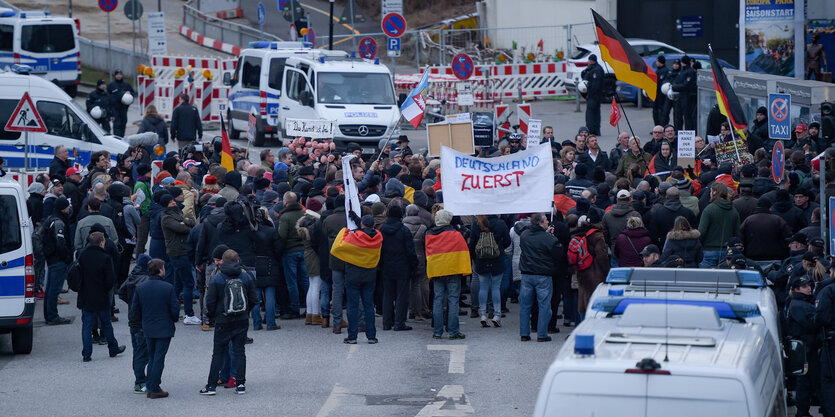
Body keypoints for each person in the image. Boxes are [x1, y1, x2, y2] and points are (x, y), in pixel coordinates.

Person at [201, 249, 258, 395]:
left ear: (222, 261)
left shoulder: (217, 278)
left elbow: (210, 302)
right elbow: (253, 299)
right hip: (241, 319)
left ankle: (211, 386)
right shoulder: (245, 277)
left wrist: (214, 317)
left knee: (218, 353)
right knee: (239, 352)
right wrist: (245, 312)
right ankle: (240, 384)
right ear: (237, 260)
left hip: (223, 320)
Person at [131, 258, 178, 399]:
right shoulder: (168, 287)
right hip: (164, 328)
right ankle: (154, 387)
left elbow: (135, 310)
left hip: (148, 327)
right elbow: (174, 310)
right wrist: (172, 319)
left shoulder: (140, 288)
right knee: (159, 358)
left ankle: (150, 385)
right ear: (160, 270)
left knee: (152, 357)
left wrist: (143, 321)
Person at [77, 232, 126, 362]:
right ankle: (112, 348)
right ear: (102, 242)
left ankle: (86, 353)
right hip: (101, 295)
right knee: (106, 323)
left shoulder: (83, 256)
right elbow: (110, 279)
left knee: (86, 325)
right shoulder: (105, 257)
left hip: (86, 295)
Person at [425, 209, 470, 340]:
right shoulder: (455, 234)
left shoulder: (429, 234)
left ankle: (437, 332)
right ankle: (453, 331)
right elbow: (462, 251)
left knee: (438, 300)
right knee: (453, 300)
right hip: (452, 270)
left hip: (437, 271)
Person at [518, 213, 563, 342]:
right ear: (540, 223)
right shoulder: (548, 238)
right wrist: (550, 236)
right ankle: (542, 334)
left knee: (525, 306)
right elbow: (558, 253)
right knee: (544, 306)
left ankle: (524, 333)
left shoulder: (524, 235)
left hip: (527, 274)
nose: (548, 222)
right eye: (546, 221)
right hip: (543, 275)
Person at [341, 215, 383, 344]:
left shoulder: (353, 237)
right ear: (373, 225)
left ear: (362, 225)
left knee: (352, 306)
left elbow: (341, 245)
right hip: (369, 274)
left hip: (353, 275)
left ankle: (352, 336)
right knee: (369, 305)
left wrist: (346, 230)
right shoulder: (378, 237)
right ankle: (371, 336)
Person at [786, 278, 822, 416]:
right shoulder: (798, 305)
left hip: (805, 348)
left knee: (806, 382)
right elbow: (812, 324)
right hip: (805, 349)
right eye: (804, 286)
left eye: (808, 285)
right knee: (807, 382)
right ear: (796, 289)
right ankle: (802, 412)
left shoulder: (802, 303)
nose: (808, 288)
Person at [160, 193, 198, 324]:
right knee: (188, 283)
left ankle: (172, 311)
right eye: (171, 202)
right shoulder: (166, 217)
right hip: (178, 252)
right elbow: (181, 228)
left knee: (179, 283)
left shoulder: (177, 212)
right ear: (166, 205)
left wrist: (186, 222)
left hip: (182, 251)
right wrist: (185, 223)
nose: (174, 203)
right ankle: (189, 314)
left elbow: (191, 222)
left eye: (173, 201)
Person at [379, 205, 418, 331]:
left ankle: (386, 322)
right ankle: (399, 322)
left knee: (388, 294)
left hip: (386, 265)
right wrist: (414, 265)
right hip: (402, 266)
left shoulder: (382, 229)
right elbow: (410, 250)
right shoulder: (403, 230)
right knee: (402, 295)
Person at [469, 215, 511, 327]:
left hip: (481, 259)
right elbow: (507, 242)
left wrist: (474, 258)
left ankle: (483, 314)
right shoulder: (501, 223)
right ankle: (496, 314)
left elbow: (472, 243)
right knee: (495, 287)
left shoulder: (476, 224)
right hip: (497, 259)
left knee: (483, 287)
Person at [118, 254, 151, 394]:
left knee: (137, 350)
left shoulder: (132, 276)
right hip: (142, 321)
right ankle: (140, 381)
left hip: (133, 321)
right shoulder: (145, 280)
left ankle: (140, 379)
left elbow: (121, 292)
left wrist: (130, 304)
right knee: (143, 352)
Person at [572, 210, 610, 321]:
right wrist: (607, 273)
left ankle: (580, 324)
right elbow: (602, 256)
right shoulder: (598, 235)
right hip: (595, 272)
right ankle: (590, 325)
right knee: (593, 300)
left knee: (583, 297)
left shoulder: (580, 232)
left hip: (582, 269)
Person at [42, 197, 73, 325]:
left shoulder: (51, 218)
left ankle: (49, 315)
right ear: (62, 208)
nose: (69, 208)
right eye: (67, 206)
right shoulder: (59, 222)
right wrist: (66, 257)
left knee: (50, 288)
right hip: (57, 259)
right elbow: (60, 243)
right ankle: (52, 316)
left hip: (51, 258)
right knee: (54, 289)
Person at [278, 191, 308, 318]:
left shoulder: (285, 217)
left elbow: (282, 236)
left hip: (290, 251)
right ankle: (310, 307)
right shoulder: (303, 214)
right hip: (304, 250)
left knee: (292, 281)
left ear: (285, 202)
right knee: (306, 280)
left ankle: (294, 308)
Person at [698, 183, 740, 268]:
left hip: (709, 250)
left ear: (714, 192)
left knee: (706, 279)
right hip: (727, 251)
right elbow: (737, 233)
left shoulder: (709, 209)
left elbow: (701, 232)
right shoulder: (734, 211)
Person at [671, 55, 697, 131]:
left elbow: (686, 85)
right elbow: (677, 81)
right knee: (677, 117)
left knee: (687, 117)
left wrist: (675, 87)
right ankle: (677, 133)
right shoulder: (682, 71)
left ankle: (688, 133)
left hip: (687, 98)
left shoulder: (690, 72)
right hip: (679, 97)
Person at [581, 54, 605, 136]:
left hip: (594, 96)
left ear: (592, 61)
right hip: (593, 96)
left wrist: (589, 93)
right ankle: (595, 130)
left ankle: (592, 130)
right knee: (594, 113)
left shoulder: (597, 70)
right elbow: (584, 75)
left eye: (589, 60)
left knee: (591, 114)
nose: (588, 62)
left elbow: (596, 85)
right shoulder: (591, 69)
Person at [107, 69, 135, 137]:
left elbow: (133, 94)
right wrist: (110, 111)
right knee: (117, 124)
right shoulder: (111, 85)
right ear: (115, 76)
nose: (119, 76)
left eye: (120, 74)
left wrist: (130, 93)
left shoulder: (126, 85)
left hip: (124, 108)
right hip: (115, 108)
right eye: (117, 75)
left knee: (123, 123)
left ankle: (122, 138)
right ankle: (117, 139)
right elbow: (107, 97)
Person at [652, 55, 670, 126]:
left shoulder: (665, 71)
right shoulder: (658, 70)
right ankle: (657, 126)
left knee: (662, 112)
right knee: (655, 112)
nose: (656, 62)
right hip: (656, 95)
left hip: (661, 95)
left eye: (657, 61)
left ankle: (662, 126)